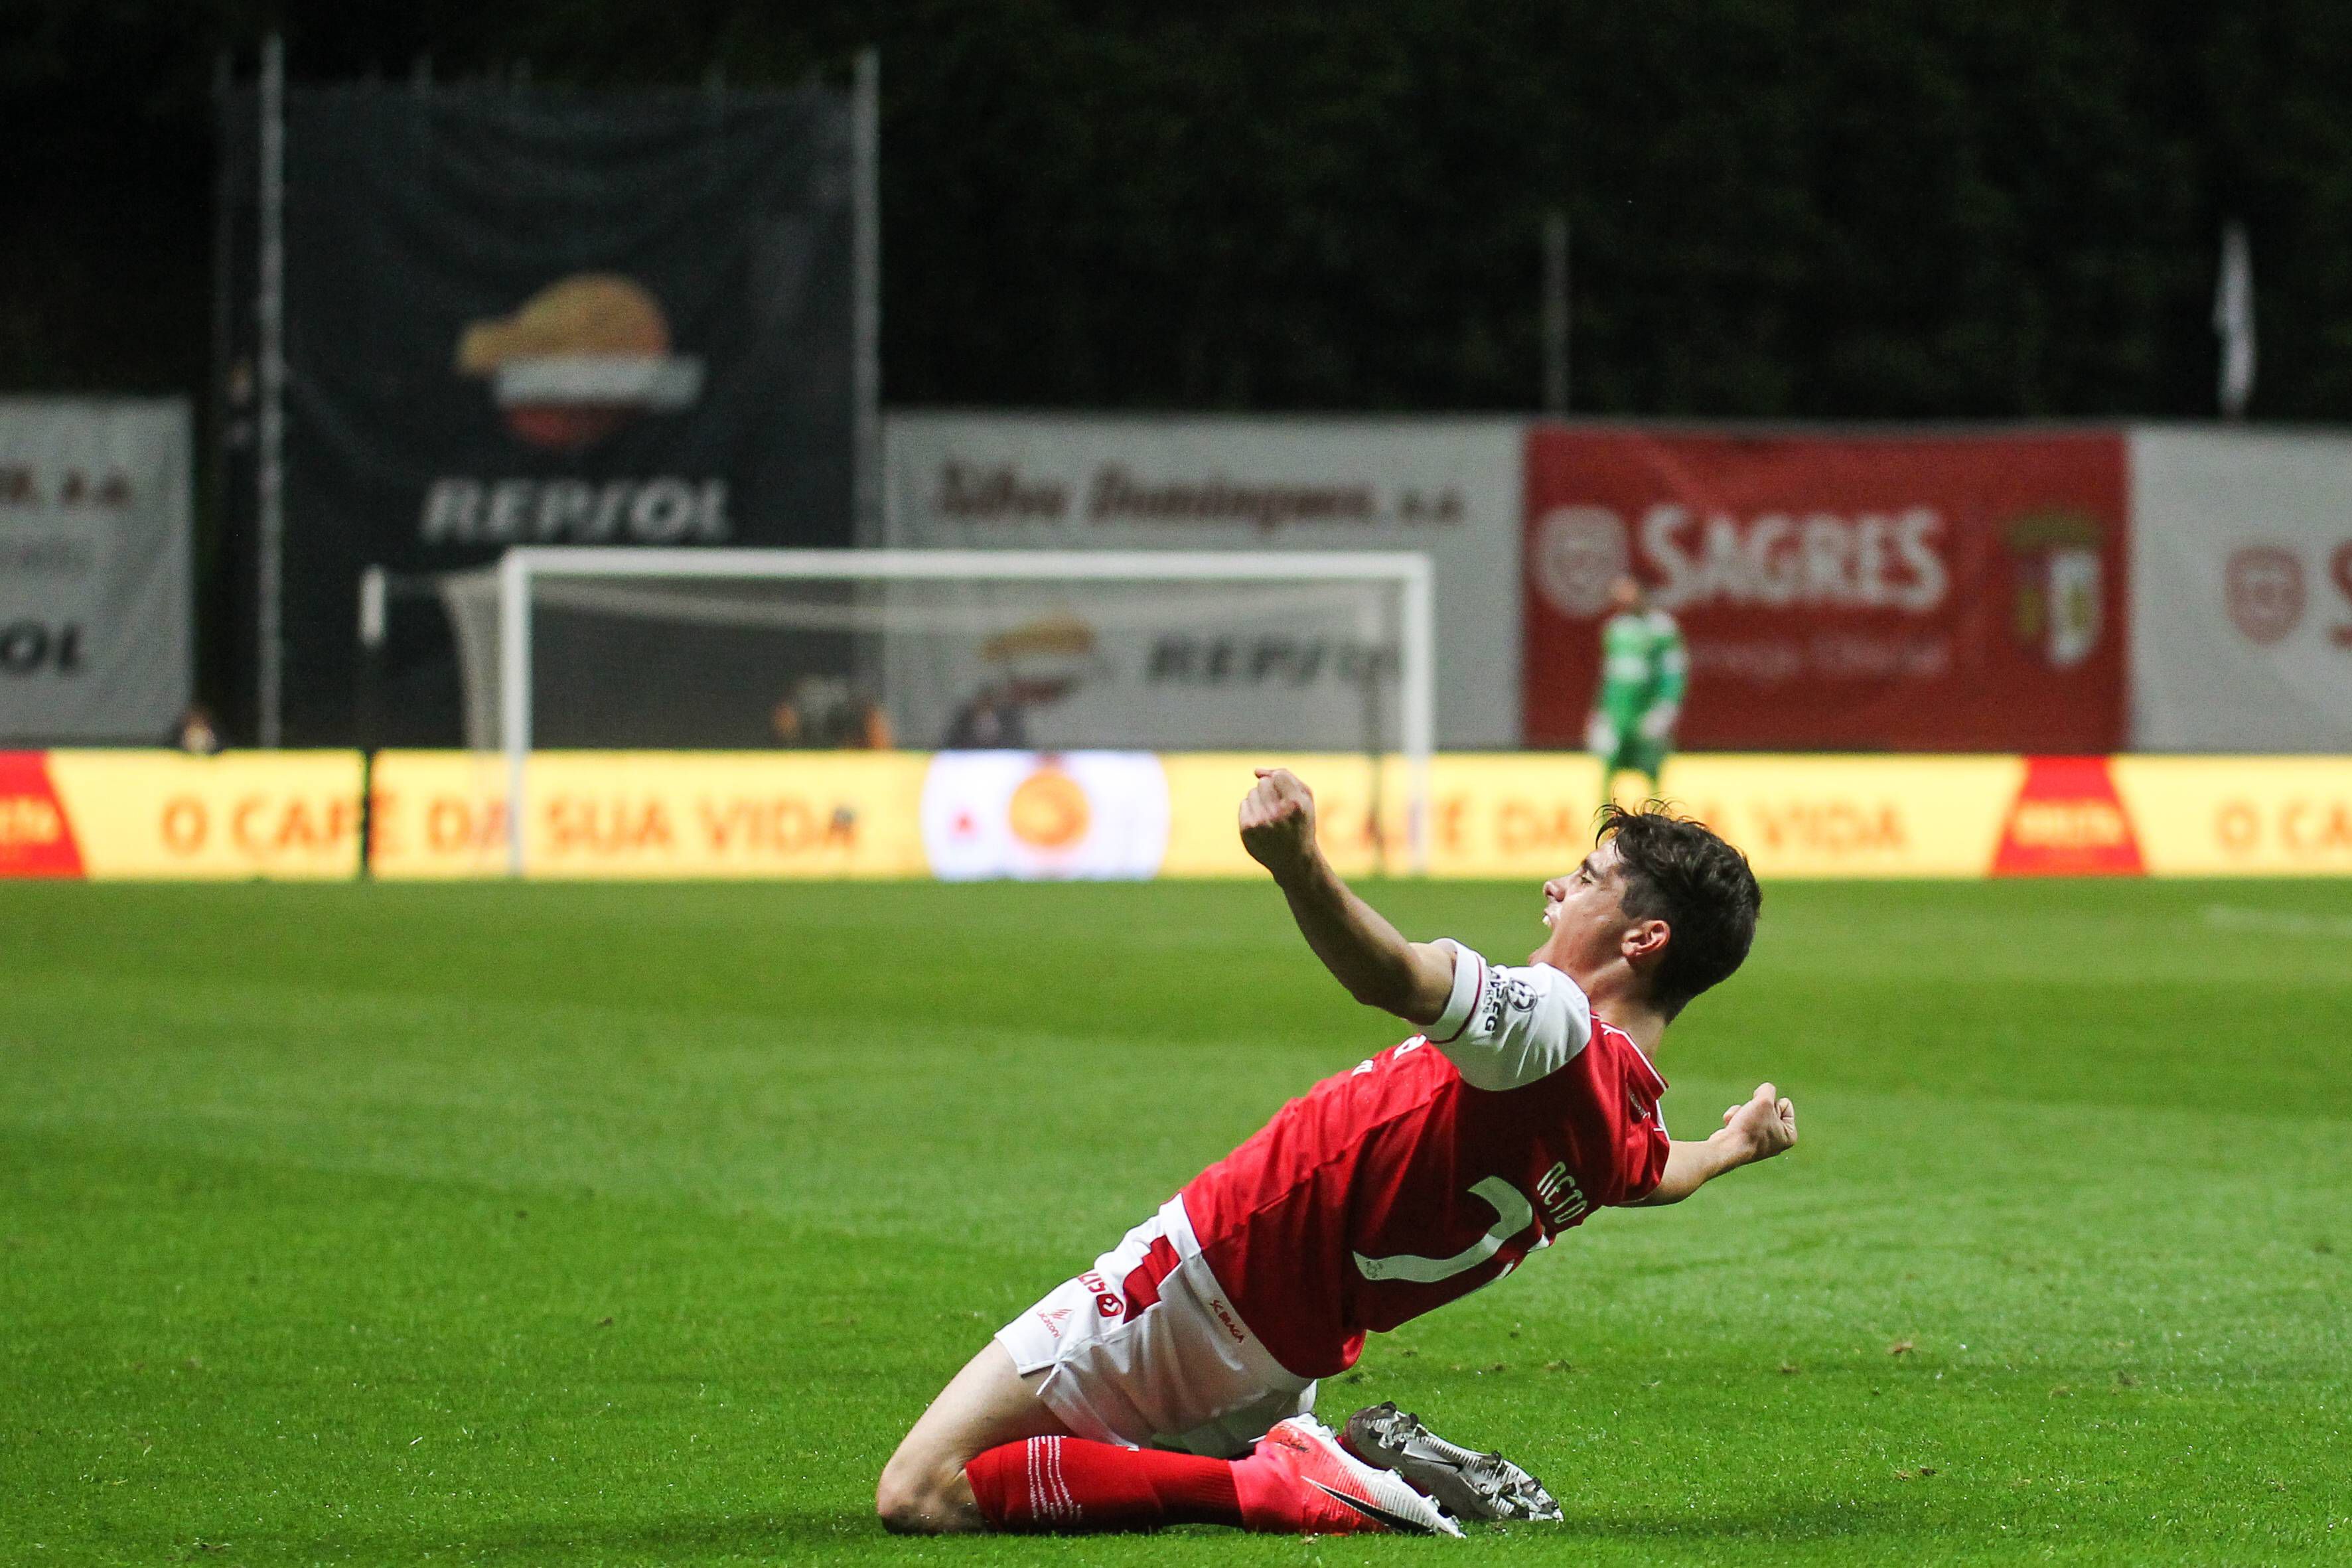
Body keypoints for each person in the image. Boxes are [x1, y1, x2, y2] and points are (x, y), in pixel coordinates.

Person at [875, 766, 1796, 1538]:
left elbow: (1395, 972)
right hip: (1287, 1342)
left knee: (925, 1487)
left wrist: (1298, 863)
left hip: (1212, 1273)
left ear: (1645, 939)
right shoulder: (1624, 1118)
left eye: (1588, 877)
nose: (1557, 887)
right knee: (1093, 1465)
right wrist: (1728, 1145)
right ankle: (1341, 1453)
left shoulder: (1556, 1024)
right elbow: (1656, 1174)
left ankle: (1278, 1478)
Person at [1587, 575, 1686, 807]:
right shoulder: (1616, 629)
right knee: (1608, 776)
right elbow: (1610, 678)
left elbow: (1673, 674)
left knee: (1651, 776)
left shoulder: (1663, 629)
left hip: (1646, 716)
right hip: (1618, 718)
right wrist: (1601, 715)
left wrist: (1665, 710)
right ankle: (1604, 830)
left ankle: (1658, 832)